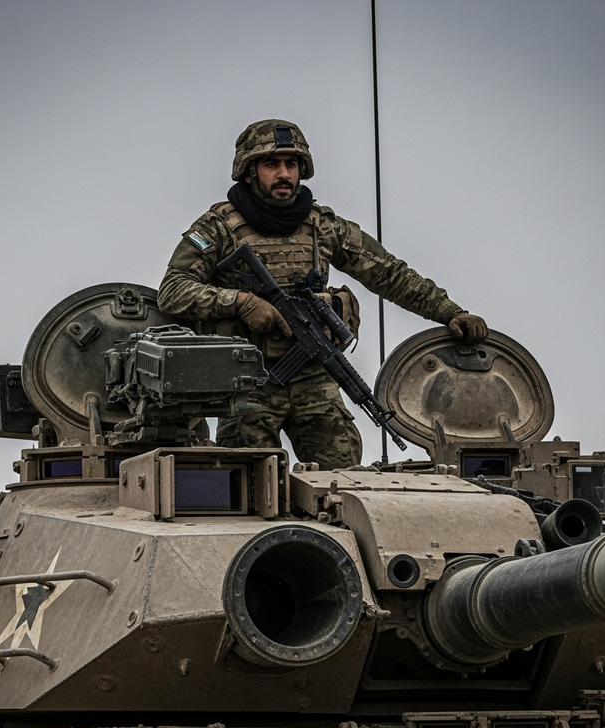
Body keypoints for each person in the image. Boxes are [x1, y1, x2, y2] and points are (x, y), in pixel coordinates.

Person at [158, 119, 487, 469]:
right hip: (246, 381)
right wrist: (241, 302)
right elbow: (172, 291)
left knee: (345, 479)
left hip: (314, 376)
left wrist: (450, 312)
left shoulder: (322, 226)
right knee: (247, 486)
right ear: (249, 172)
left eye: (292, 164)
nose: (284, 173)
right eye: (272, 164)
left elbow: (389, 274)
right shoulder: (218, 227)